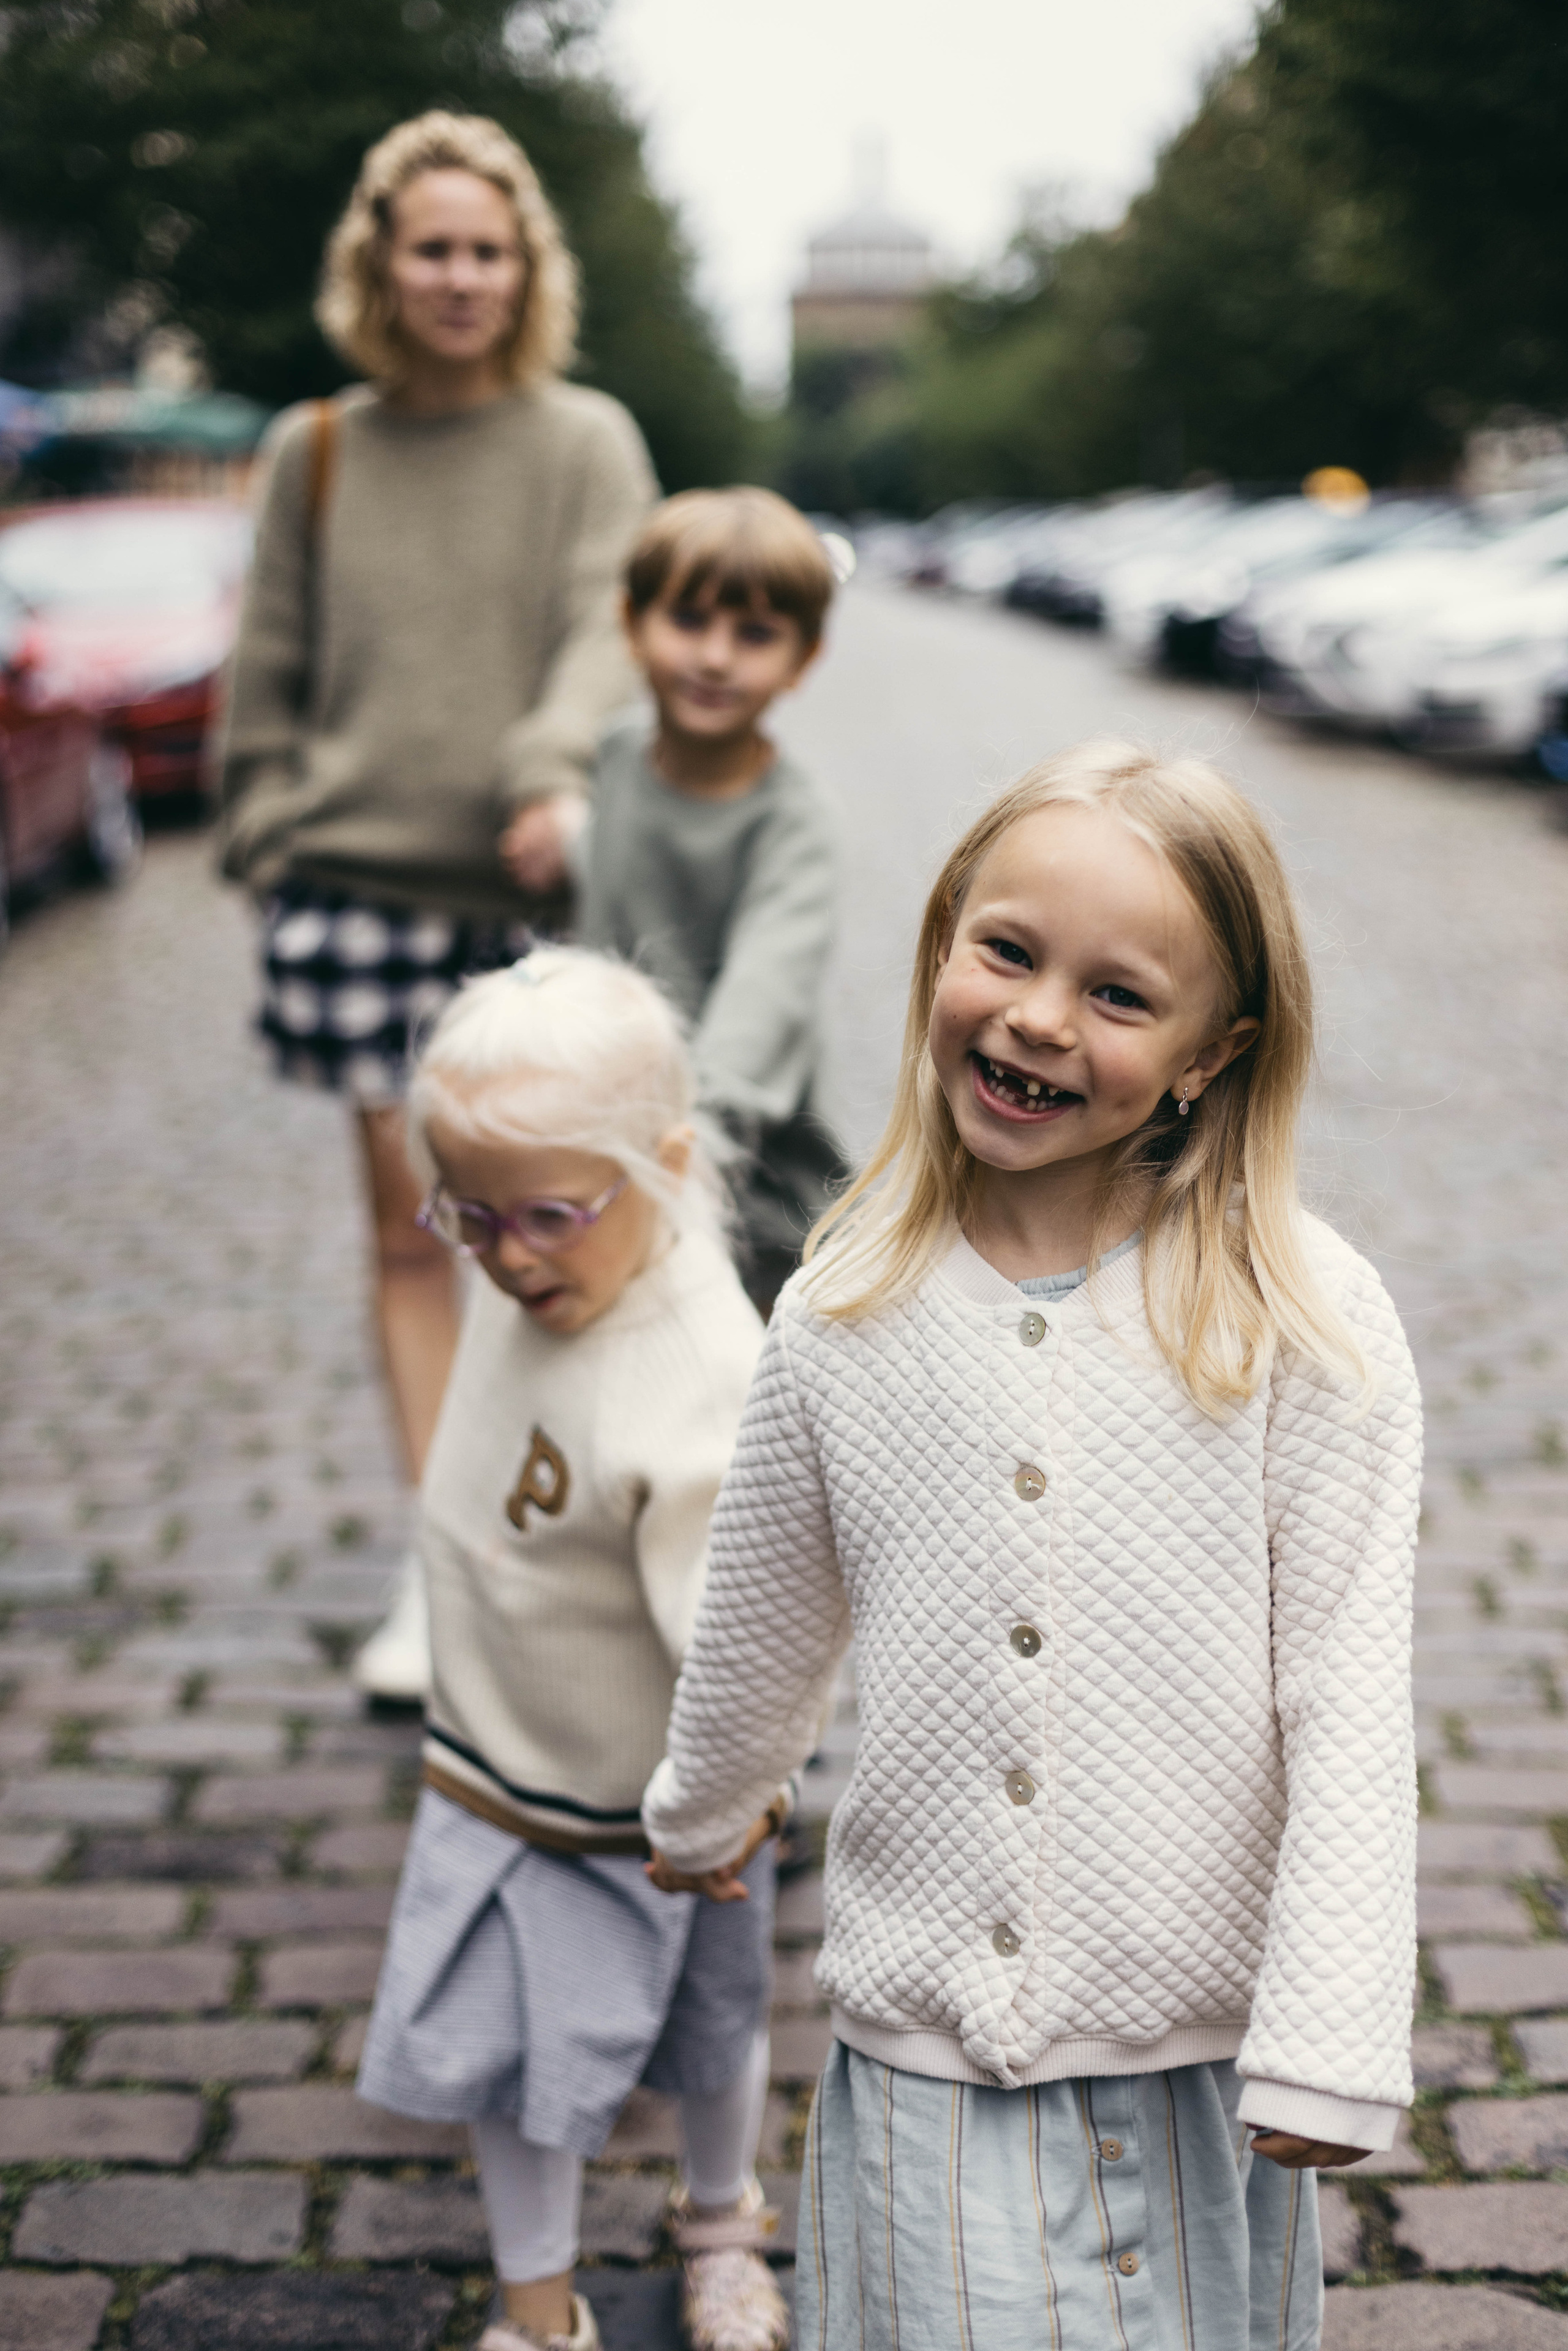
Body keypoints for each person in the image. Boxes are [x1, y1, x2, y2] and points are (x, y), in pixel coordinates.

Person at [643, 741, 1422, 2349]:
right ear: (941, 945)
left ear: (1217, 1051)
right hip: (927, 2046)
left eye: (1121, 995)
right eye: (1005, 950)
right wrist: (706, 1805)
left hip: (1195, 2055)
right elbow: (765, 1611)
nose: (1039, 1018)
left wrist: (1332, 2032)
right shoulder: (842, 1308)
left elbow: (1347, 1688)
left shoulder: (1307, 1322)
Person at [217, 111, 655, 1700]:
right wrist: (266, 822)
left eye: (489, 249)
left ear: (524, 266)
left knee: (556, 1238)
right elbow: (263, 659)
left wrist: (551, 769)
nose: (462, 276)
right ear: (382, 267)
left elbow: (606, 630)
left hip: (531, 904)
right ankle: (451, 1566)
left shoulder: (586, 439)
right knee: (417, 1249)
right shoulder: (313, 450)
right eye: (433, 248)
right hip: (354, 896)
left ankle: (578, 1548)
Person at [356, 948, 791, 2351]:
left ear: (663, 1165)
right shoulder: (524, 1260)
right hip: (495, 1771)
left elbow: (751, 1637)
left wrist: (721, 1802)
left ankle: (722, 2214)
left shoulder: (699, 1378)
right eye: (467, 1214)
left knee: (716, 2029)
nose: (505, 1251)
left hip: (671, 1805)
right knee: (506, 2050)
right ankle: (536, 2304)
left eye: (545, 1213)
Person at [574, 486, 848, 1316]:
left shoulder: (794, 825)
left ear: (803, 660)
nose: (717, 656)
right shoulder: (614, 759)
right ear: (632, 625)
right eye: (689, 619)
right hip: (591, 1141)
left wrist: (674, 1161)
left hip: (736, 1173)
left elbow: (757, 1016)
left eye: (756, 634)